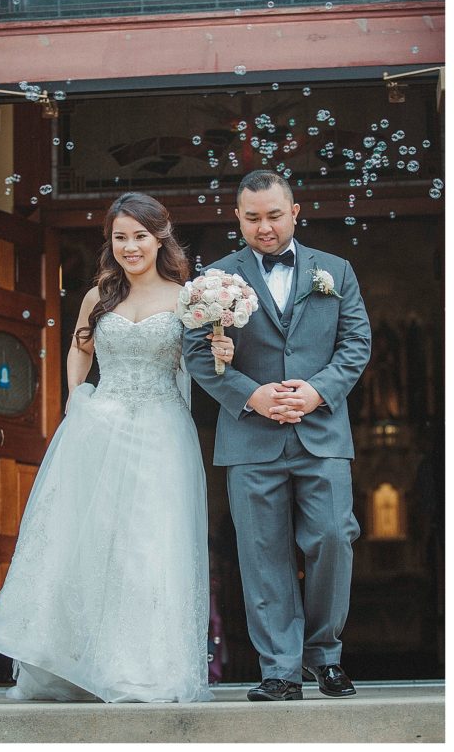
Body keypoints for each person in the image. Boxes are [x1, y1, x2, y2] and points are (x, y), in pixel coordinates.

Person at [0, 193, 232, 703]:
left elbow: (204, 370)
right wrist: (77, 398)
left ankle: (142, 669)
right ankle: (79, 663)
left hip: (162, 431)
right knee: (91, 542)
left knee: (148, 546)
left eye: (139, 235)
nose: (130, 246)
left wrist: (223, 354)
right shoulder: (100, 296)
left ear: (160, 237)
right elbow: (80, 347)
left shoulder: (188, 297)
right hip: (102, 428)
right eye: (120, 237)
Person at [183, 170, 371, 701]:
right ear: (237, 218)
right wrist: (250, 394)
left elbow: (356, 343)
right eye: (252, 218)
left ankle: (325, 655)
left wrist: (316, 392)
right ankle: (280, 670)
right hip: (250, 438)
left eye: (273, 215)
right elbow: (199, 353)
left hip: (322, 433)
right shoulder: (216, 280)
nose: (264, 227)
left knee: (335, 537)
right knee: (262, 553)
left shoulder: (335, 271)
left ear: (294, 211)